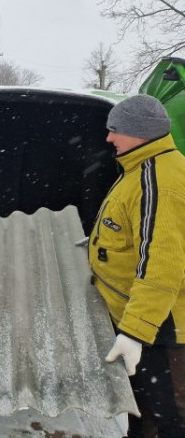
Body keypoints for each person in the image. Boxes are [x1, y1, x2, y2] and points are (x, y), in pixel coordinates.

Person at [89, 95, 185, 437]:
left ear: (140, 132)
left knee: (166, 420)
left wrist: (135, 333)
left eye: (115, 130)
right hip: (148, 322)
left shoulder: (158, 181)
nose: (109, 137)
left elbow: (163, 267)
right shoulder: (141, 167)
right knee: (143, 415)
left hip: (161, 327)